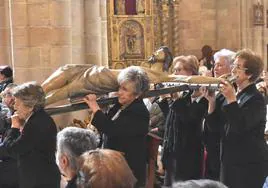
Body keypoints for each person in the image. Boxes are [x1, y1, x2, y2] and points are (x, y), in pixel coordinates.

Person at [202, 49, 268, 188]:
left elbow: (240, 126)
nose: (232, 70)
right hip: (229, 161)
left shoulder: (256, 98)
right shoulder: (233, 95)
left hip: (248, 164)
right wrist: (212, 102)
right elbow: (216, 128)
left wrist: (231, 99)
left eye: (238, 67)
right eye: (233, 65)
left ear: (249, 74)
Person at [84, 66, 150, 187]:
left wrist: (94, 106)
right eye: (120, 87)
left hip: (128, 169)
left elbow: (112, 130)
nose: (119, 92)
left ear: (138, 94)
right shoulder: (121, 105)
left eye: (125, 89)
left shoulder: (139, 112)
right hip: (113, 163)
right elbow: (106, 124)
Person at [0, 82, 60, 188]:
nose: (15, 107)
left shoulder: (36, 123)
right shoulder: (39, 118)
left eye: (18, 103)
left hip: (39, 181)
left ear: (30, 106)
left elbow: (12, 149)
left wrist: (14, 128)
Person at [162, 55, 208, 186]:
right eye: (174, 70)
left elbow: (189, 120)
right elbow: (171, 122)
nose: (175, 73)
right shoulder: (185, 96)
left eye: (179, 70)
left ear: (191, 72)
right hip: (173, 153)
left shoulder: (204, 99)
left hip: (188, 155)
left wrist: (175, 100)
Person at [203, 49, 235, 180]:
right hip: (210, 144)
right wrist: (211, 102)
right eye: (215, 64)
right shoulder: (215, 88)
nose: (216, 68)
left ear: (231, 68)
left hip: (223, 147)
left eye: (220, 65)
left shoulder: (231, 90)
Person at [0, 83, 18, 188]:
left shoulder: (19, 115)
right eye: (8, 94)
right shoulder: (10, 114)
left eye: (14, 95)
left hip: (14, 169)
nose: (12, 98)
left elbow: (10, 147)